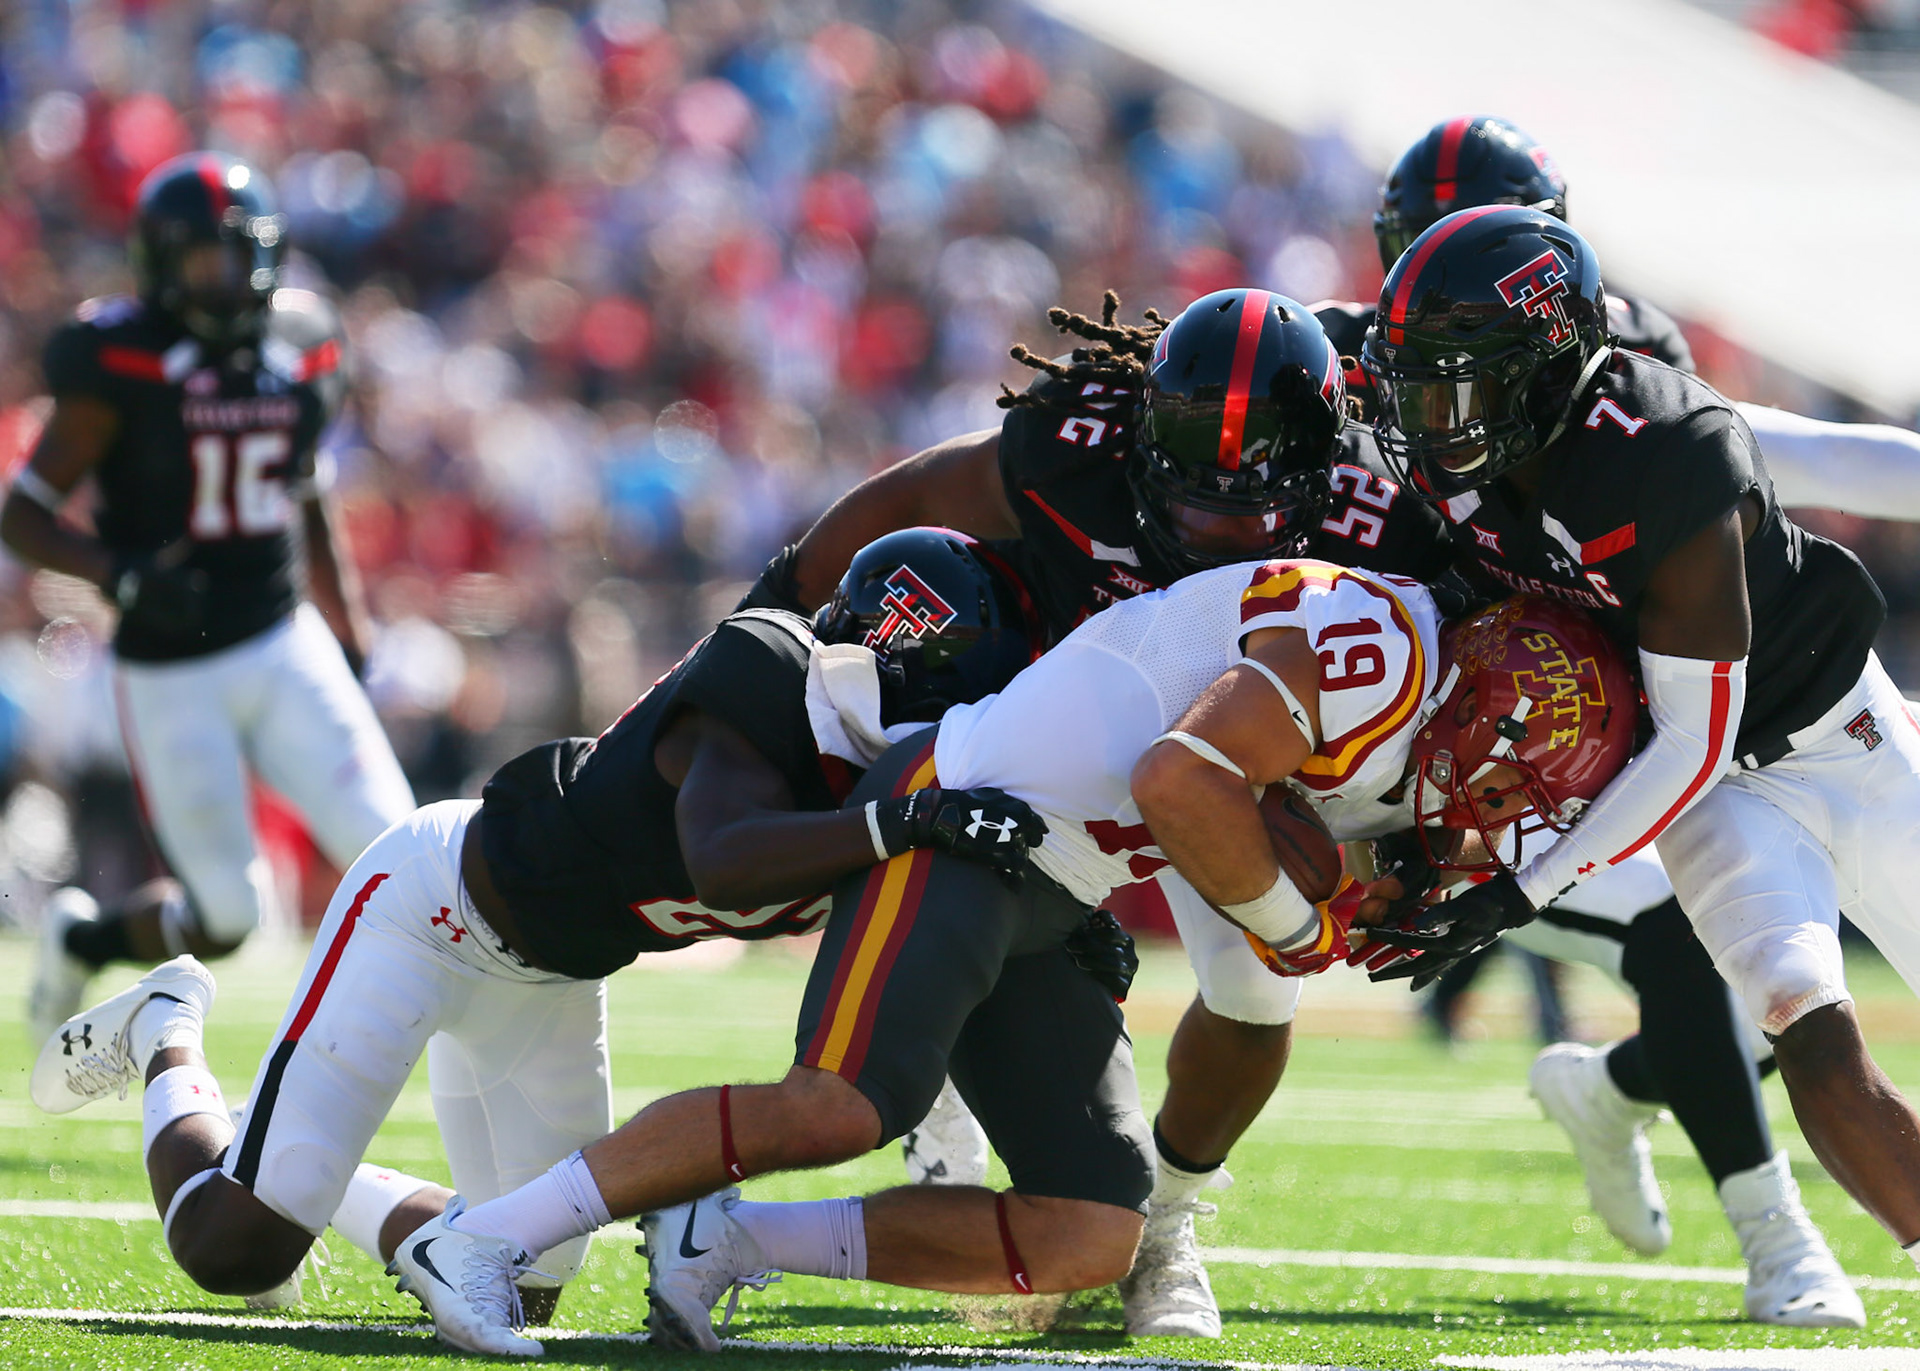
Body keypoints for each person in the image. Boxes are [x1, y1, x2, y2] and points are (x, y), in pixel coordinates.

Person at [30, 528, 1046, 1355]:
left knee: (516, 1286)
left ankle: (303, 1164)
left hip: (556, 977)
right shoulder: (772, 674)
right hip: (433, 911)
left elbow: (899, 961)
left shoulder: (888, 796)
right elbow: (726, 857)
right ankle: (166, 1029)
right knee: (234, 1250)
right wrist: (899, 822)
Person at [740, 285, 1452, 1336]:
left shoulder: (1384, 510)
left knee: (1256, 1000)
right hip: (1054, 721)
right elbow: (918, 492)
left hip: (1242, 768)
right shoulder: (1078, 442)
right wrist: (768, 609)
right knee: (926, 845)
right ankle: (936, 1087)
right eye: (1191, 502)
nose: (1212, 532)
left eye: (1246, 515)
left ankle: (1165, 1223)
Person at [1318, 117, 1873, 1325]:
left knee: (1708, 956)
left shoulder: (1637, 399)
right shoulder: (1347, 366)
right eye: (1424, 255)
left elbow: (1794, 461)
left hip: (1585, 736)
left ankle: (1749, 1209)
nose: (1442, 320)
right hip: (1386, 726)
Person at [1, 152, 415, 1042]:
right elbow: (22, 515)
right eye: (200, 259)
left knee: (400, 848)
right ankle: (86, 936)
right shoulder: (118, 358)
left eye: (237, 256)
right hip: (171, 667)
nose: (222, 278)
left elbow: (307, 490)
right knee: (228, 917)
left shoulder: (305, 340)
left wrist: (348, 622)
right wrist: (118, 572)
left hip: (280, 636)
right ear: (158, 263)